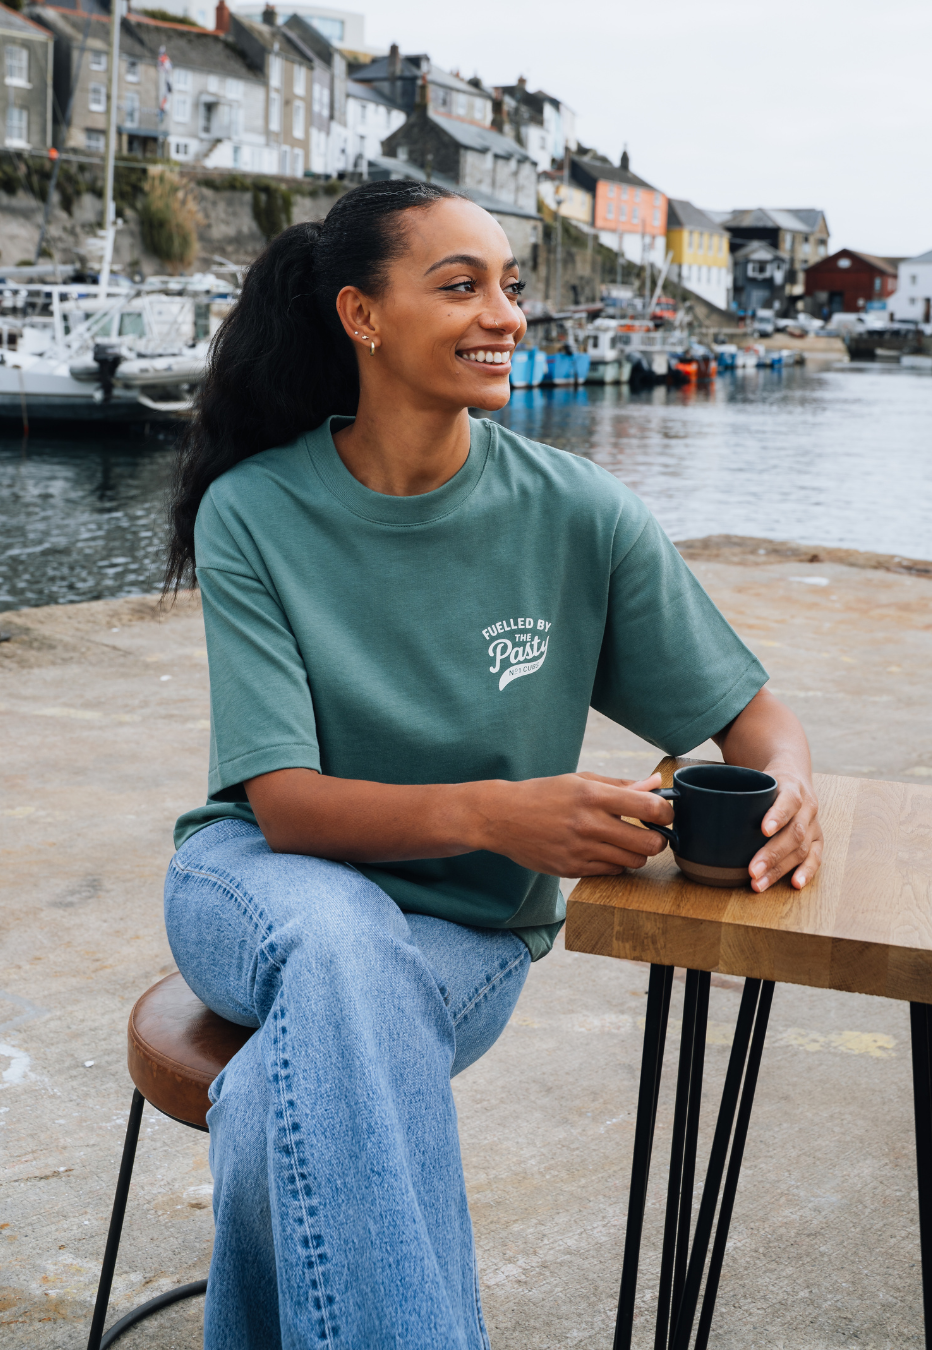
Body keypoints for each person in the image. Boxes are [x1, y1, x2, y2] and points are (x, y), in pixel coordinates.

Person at [162, 179, 823, 1350]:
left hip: (465, 934)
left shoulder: (579, 513)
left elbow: (756, 724)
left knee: (276, 1108)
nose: (507, 314)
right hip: (257, 881)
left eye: (510, 286)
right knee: (338, 939)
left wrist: (792, 801)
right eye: (460, 286)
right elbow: (288, 807)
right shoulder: (254, 511)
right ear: (362, 317)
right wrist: (508, 816)